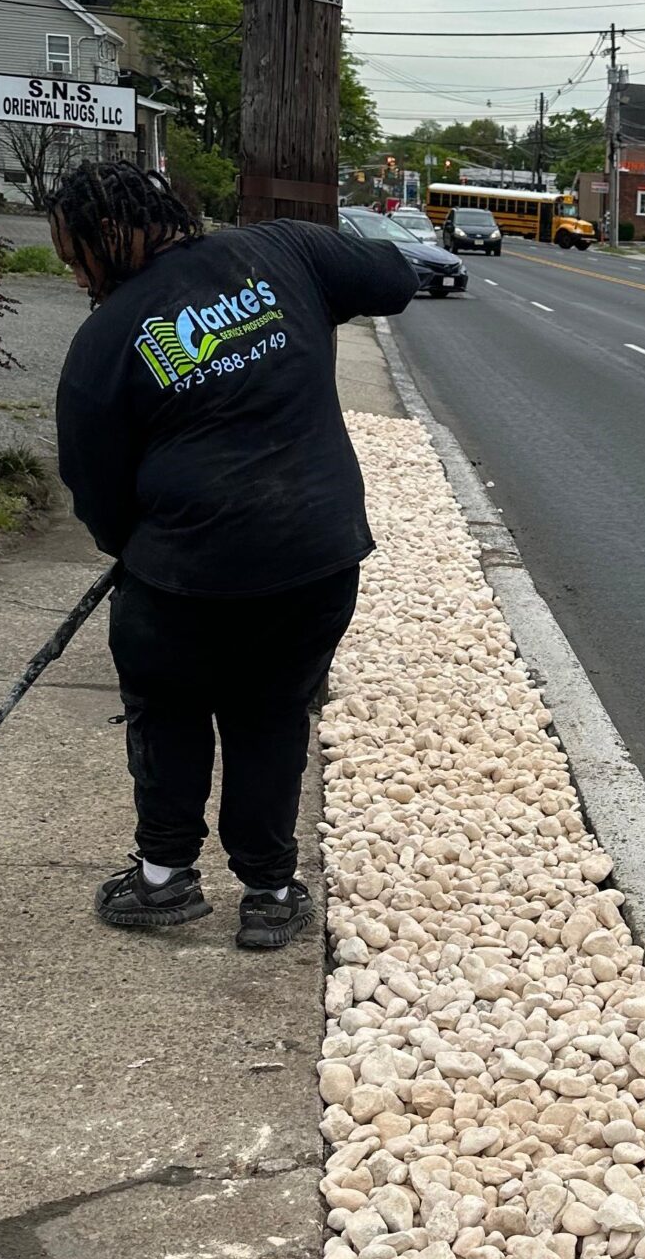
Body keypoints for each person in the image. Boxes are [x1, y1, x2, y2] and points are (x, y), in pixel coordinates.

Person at [48, 162, 416, 949]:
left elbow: (94, 486)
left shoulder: (106, 342)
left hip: (185, 571)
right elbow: (392, 276)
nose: (72, 273)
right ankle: (271, 892)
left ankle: (163, 880)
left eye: (73, 255)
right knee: (271, 714)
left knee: (169, 708)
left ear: (103, 240)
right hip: (314, 555)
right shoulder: (284, 252)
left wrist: (134, 549)